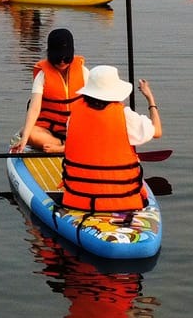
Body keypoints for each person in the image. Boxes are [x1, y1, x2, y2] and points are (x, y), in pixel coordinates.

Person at [59, 65, 162, 213]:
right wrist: (150, 99)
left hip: (78, 200)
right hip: (122, 202)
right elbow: (157, 131)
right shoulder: (126, 117)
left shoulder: (73, 116)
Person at [11, 27, 84, 154]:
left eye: (66, 58)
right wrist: (25, 139)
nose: (62, 62)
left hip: (76, 129)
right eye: (58, 57)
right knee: (28, 133)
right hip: (50, 132)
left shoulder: (83, 72)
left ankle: (65, 147)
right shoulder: (42, 76)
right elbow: (34, 108)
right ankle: (63, 145)